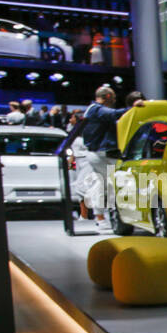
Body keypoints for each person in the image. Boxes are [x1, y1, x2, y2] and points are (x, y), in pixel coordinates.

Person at [72, 85, 123, 230]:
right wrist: (134, 108)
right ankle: (103, 218)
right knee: (109, 185)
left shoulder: (92, 109)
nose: (114, 99)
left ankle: (101, 218)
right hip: (101, 153)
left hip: (98, 153)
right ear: (107, 97)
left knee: (102, 185)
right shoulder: (97, 109)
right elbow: (114, 114)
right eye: (113, 97)